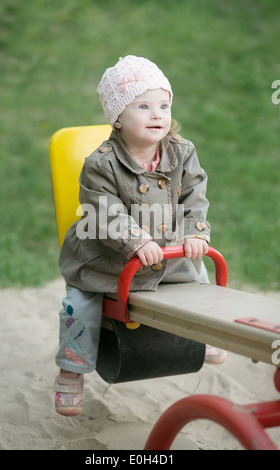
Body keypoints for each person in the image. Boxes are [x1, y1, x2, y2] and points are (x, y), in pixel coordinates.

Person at [54, 55, 227, 417]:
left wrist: (195, 232)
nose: (156, 114)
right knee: (80, 304)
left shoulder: (182, 152)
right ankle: (72, 367)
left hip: (165, 251)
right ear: (117, 117)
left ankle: (205, 333)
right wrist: (137, 241)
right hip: (110, 256)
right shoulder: (100, 164)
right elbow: (105, 213)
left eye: (163, 105)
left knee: (199, 274)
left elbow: (195, 194)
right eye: (143, 106)